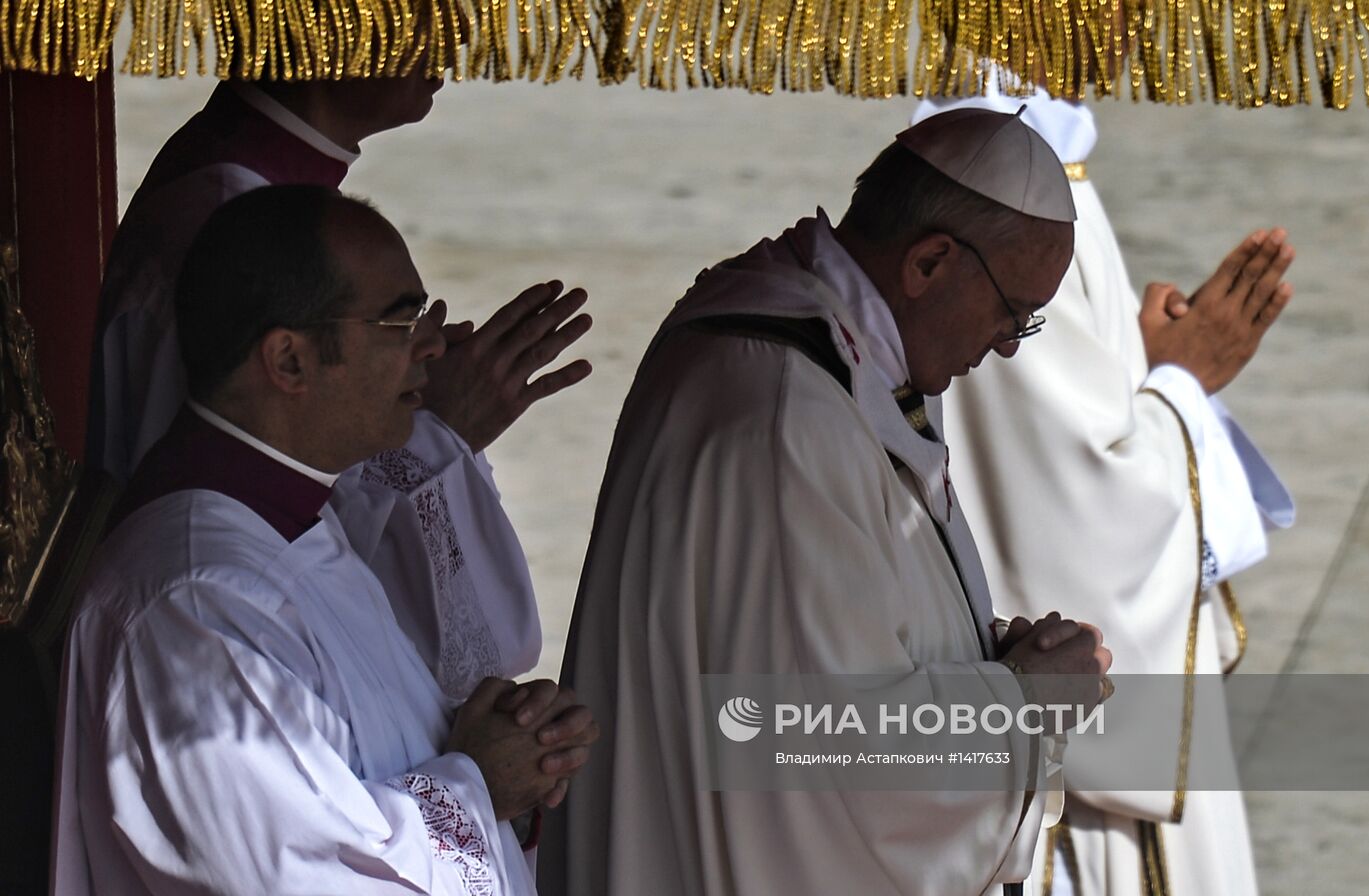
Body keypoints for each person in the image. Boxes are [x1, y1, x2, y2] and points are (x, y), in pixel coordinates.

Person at [538, 109, 1114, 896]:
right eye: (1012, 312)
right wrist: (1023, 703)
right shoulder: (784, 413)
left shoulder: (841, 355)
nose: (1011, 343)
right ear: (931, 262)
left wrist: (984, 656)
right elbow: (837, 762)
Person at [54, 186, 599, 895]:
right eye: (400, 323)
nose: (434, 345)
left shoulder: (297, 518)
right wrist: (480, 786)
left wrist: (517, 759)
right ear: (289, 362)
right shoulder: (195, 604)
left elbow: (373, 759)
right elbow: (307, 878)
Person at [91, 75, 593, 702]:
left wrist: (394, 378)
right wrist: (434, 432)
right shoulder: (230, 218)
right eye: (425, 7)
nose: (455, 32)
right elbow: (448, 653)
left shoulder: (245, 187)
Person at [913, 85, 1295, 896]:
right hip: (1068, 787)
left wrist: (1142, 361)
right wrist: (1185, 382)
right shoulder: (994, 172)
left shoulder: (1051, 151)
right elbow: (1080, 530)